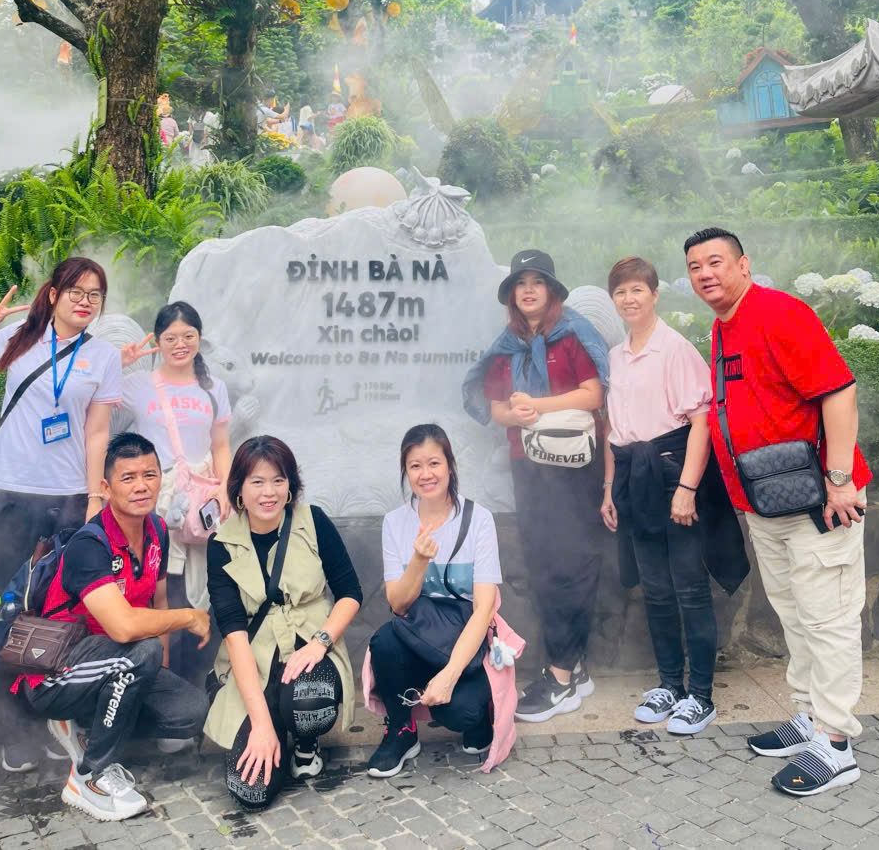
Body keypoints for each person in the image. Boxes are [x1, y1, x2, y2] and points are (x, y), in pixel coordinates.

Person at [685, 227, 871, 796]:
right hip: (768, 505)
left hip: (819, 501)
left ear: (744, 265)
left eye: (715, 261)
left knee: (827, 619)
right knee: (795, 614)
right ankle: (809, 715)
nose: (705, 273)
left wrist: (839, 480)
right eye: (694, 267)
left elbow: (838, 391)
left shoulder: (778, 314)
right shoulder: (725, 326)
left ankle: (835, 744)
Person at [0, 257, 123, 774]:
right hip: (6, 491)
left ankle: (44, 714)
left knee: (53, 614)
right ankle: (5, 728)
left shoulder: (103, 356)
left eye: (95, 294)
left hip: (65, 497)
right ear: (53, 294)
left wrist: (94, 499)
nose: (86, 301)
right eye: (76, 291)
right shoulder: (20, 338)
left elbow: (97, 432)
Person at [11, 432, 211, 822]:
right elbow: (123, 628)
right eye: (128, 477)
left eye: (150, 475)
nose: (141, 486)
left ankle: (87, 727)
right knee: (141, 649)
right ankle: (89, 777)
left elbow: (157, 603)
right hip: (56, 671)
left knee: (188, 711)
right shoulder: (90, 544)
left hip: (117, 662)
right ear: (106, 487)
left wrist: (155, 672)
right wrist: (190, 617)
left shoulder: (157, 531)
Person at [601, 256, 748, 736]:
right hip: (633, 478)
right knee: (656, 590)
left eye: (637, 290)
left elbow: (701, 422)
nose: (629, 299)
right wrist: (609, 488)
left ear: (654, 294)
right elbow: (614, 431)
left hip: (672, 473)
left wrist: (686, 489)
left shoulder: (675, 349)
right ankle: (669, 684)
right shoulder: (616, 355)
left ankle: (700, 695)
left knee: (689, 587)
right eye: (620, 291)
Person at [463, 250, 610, 723]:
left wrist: (538, 406)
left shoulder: (572, 335)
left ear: (552, 290)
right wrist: (516, 413)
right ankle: (572, 667)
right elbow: (496, 408)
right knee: (543, 564)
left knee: (570, 563)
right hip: (528, 465)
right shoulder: (508, 345)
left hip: (573, 466)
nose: (528, 291)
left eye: (537, 282)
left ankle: (561, 675)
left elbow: (594, 394)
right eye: (520, 284)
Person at [204, 436, 361, 810]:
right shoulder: (221, 544)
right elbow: (235, 636)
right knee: (251, 791)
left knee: (308, 700)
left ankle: (306, 744)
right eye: (257, 482)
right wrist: (260, 726)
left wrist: (320, 642)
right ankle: (273, 723)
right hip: (255, 661)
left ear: (290, 484)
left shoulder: (313, 521)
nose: (269, 492)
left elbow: (350, 593)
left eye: (278, 480)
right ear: (239, 489)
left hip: (309, 644)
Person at [365, 424, 506, 778]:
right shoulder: (395, 523)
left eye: (434, 463)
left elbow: (484, 608)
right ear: (405, 471)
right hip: (417, 632)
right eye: (415, 466)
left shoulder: (479, 520)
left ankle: (477, 711)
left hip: (463, 636)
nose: (425, 474)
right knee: (384, 641)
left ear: (450, 466)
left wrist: (449, 676)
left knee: (461, 714)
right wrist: (418, 560)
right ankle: (401, 729)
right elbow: (398, 605)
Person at [119, 301, 232, 685]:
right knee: (159, 585)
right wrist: (118, 363)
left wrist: (224, 489)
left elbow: (220, 444)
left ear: (199, 338)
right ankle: (162, 682)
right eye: (170, 338)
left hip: (201, 502)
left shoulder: (213, 388)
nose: (180, 344)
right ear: (158, 340)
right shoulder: (138, 385)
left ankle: (199, 683)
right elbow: (89, 399)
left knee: (203, 584)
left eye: (188, 336)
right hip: (153, 501)